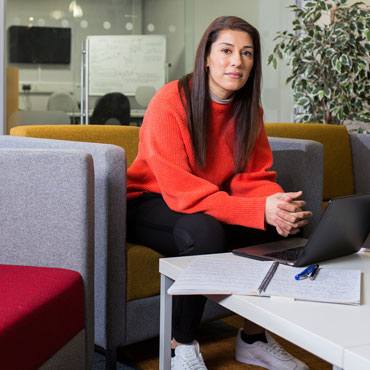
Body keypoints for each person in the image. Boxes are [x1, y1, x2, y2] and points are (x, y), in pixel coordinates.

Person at [126, 16, 311, 370]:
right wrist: (255, 210)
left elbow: (254, 176)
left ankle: (254, 338)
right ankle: (181, 345)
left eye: (246, 53)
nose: (236, 62)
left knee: (280, 228)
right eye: (226, 51)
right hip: (150, 201)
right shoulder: (170, 102)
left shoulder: (248, 111)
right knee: (205, 232)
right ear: (206, 57)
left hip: (204, 200)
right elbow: (180, 190)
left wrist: (275, 205)